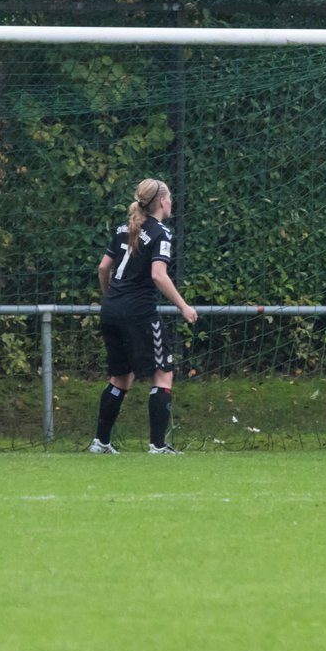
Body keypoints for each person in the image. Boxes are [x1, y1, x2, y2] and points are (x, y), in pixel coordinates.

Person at [89, 179, 198, 454]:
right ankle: (158, 446)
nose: (171, 203)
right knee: (163, 375)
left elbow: (103, 269)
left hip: (111, 310)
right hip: (138, 313)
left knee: (120, 377)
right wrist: (184, 307)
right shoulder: (161, 232)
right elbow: (157, 275)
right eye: (170, 198)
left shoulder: (123, 228)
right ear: (162, 202)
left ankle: (100, 443)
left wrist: (110, 296)